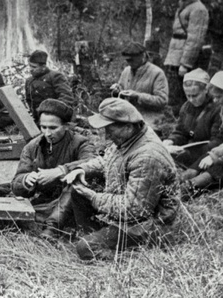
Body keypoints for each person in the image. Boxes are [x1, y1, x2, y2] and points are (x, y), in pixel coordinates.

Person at [58, 98, 179, 259]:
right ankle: (102, 237)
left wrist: (94, 197)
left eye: (110, 130)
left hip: (150, 225)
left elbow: (134, 210)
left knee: (86, 248)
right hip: (132, 214)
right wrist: (82, 169)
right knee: (78, 193)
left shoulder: (147, 156)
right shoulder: (131, 136)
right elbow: (108, 160)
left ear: (128, 126)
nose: (106, 136)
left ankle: (131, 255)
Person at [10, 99, 94, 239]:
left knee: (75, 182)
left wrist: (61, 171)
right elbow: (16, 185)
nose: (47, 133)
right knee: (19, 213)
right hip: (47, 203)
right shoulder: (32, 147)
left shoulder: (81, 143)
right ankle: (54, 224)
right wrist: (26, 180)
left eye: (53, 128)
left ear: (66, 126)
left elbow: (93, 162)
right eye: (43, 127)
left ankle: (52, 229)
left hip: (76, 202)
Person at [164, 0, 209, 114]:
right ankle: (179, 119)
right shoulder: (184, 6)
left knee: (189, 93)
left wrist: (185, 63)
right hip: (176, 54)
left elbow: (195, 39)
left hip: (186, 59)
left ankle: (188, 120)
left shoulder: (198, 9)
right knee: (176, 93)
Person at [162, 68, 222, 170]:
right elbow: (181, 132)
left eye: (195, 95)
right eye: (187, 95)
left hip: (208, 154)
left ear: (206, 90)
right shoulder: (186, 107)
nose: (191, 99)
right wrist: (171, 140)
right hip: (189, 150)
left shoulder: (217, 109)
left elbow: (217, 141)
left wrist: (189, 152)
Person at [110, 42, 170, 133]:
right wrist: (117, 90)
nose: (129, 63)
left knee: (140, 132)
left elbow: (162, 100)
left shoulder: (157, 73)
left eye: (132, 60)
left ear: (143, 56)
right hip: (129, 114)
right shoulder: (126, 71)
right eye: (127, 60)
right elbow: (121, 88)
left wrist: (138, 96)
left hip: (150, 116)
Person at [25, 49, 76, 122]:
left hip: (55, 118)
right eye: (30, 66)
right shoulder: (29, 81)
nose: (30, 69)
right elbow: (29, 101)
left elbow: (66, 97)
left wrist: (53, 112)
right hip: (37, 120)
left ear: (43, 66)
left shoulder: (55, 76)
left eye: (34, 67)